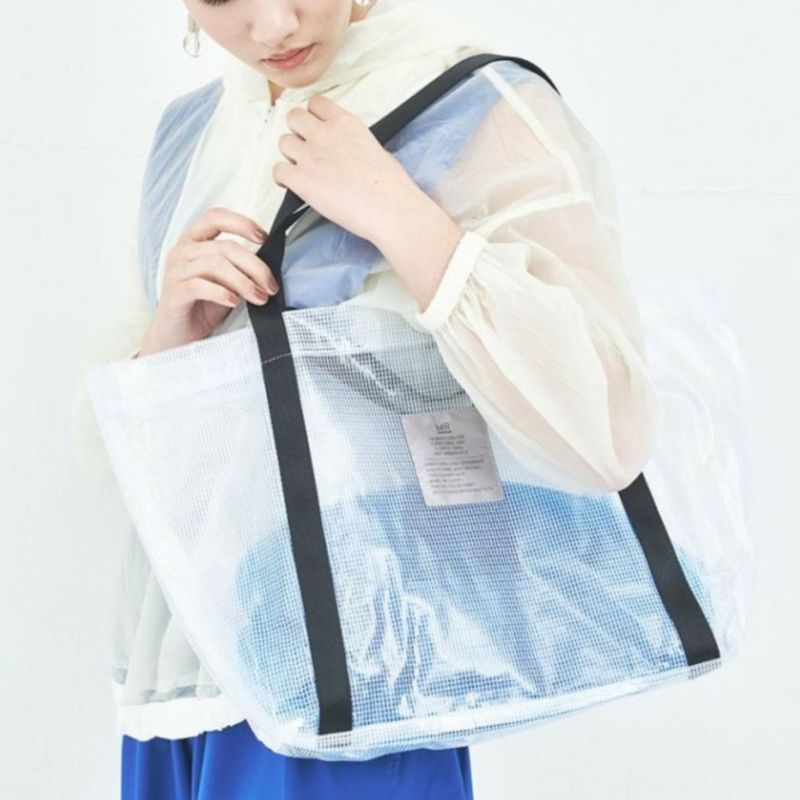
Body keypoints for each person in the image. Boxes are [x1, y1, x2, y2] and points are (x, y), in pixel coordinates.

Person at [70, 0, 664, 796]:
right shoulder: (188, 135)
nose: (273, 26)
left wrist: (399, 213)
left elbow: (606, 431)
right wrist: (171, 335)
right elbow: (140, 473)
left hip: (363, 671)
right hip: (186, 678)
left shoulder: (473, 104)